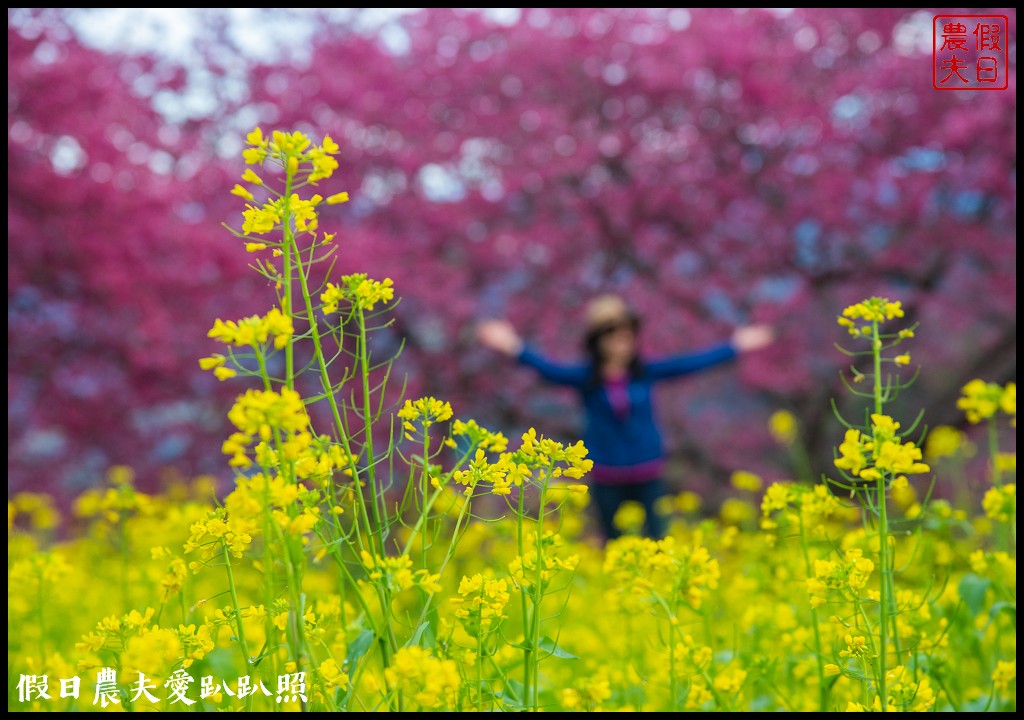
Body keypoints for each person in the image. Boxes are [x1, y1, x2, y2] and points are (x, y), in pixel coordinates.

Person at [476, 294, 774, 542]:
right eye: (613, 336)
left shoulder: (645, 374)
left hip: (648, 471)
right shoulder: (587, 380)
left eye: (627, 335)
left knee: (658, 539)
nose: (622, 343)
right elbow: (547, 369)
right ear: (597, 341)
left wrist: (735, 345)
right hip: (607, 474)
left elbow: (690, 364)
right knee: (614, 543)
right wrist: (512, 345)